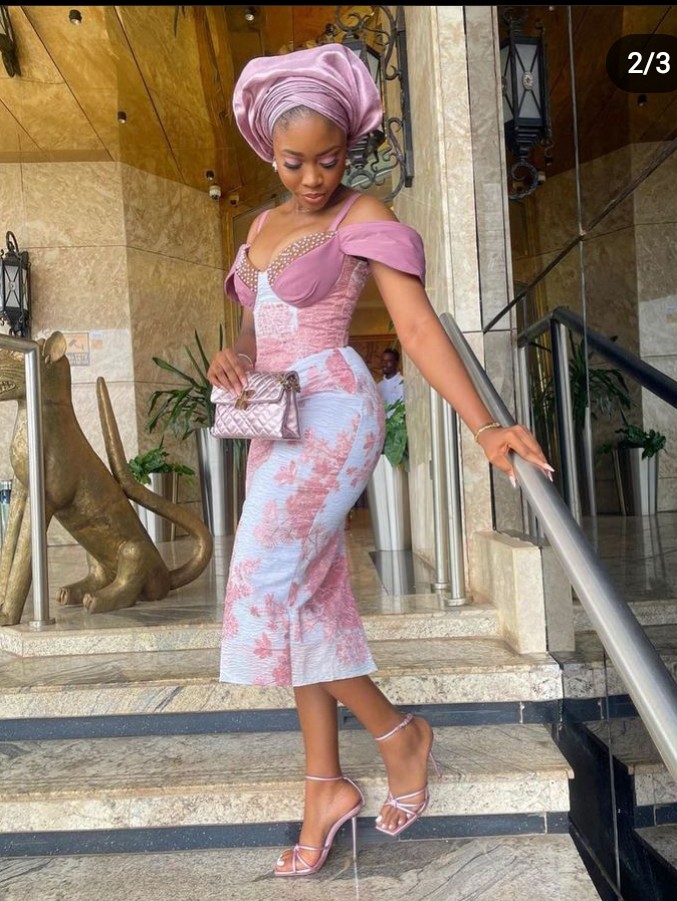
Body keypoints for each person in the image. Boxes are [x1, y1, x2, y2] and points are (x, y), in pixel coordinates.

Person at [207, 42, 554, 878]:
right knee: (308, 593)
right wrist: (232, 358)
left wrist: (485, 426)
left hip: (332, 408)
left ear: (348, 149)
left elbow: (418, 329)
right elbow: (253, 330)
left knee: (265, 580)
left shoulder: (361, 215)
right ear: (267, 149)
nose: (312, 177)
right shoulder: (259, 226)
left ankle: (400, 734)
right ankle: (324, 783)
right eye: (293, 161)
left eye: (328, 158)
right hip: (273, 418)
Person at [377, 346, 405, 414]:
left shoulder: (403, 383)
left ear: (396, 362)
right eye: (383, 361)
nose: (384, 364)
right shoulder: (378, 386)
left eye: (388, 361)